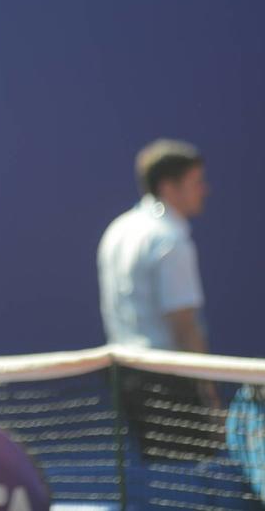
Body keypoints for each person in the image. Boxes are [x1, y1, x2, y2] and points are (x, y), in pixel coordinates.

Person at [97, 138, 217, 459]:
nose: (204, 190)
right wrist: (210, 395)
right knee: (187, 478)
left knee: (158, 474)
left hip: (125, 376)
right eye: (196, 182)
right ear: (168, 187)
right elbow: (184, 326)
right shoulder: (170, 239)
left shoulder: (117, 230)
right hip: (169, 381)